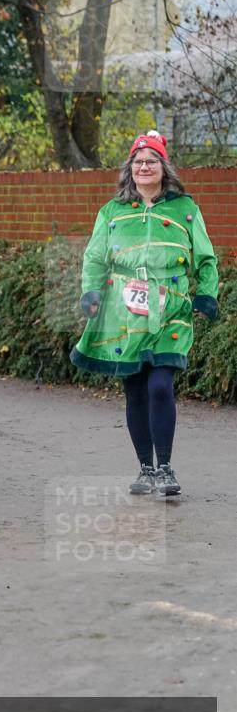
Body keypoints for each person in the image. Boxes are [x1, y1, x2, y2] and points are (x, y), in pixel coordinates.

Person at [70, 130, 220, 497]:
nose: (144, 167)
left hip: (171, 309)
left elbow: (205, 257)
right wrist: (90, 292)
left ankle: (166, 468)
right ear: (130, 169)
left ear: (163, 167)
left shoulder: (185, 208)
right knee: (135, 391)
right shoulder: (112, 211)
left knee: (160, 386)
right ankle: (145, 469)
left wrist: (207, 294)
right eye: (138, 162)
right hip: (124, 311)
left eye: (151, 161)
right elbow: (94, 257)